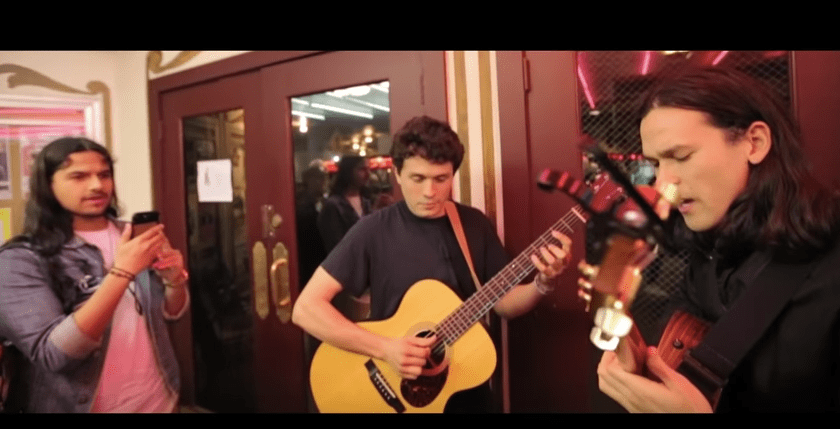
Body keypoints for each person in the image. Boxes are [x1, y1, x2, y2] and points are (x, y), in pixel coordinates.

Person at [597, 67, 840, 412]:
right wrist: (640, 368)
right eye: (654, 164)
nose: (664, 184)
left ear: (754, 143)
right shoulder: (709, 252)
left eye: (680, 157)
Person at [292, 115, 572, 412]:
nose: (430, 192)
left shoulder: (473, 224)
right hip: (396, 389)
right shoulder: (372, 231)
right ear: (397, 174)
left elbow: (502, 304)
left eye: (441, 179)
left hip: (465, 386)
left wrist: (542, 284)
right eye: (417, 178)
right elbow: (306, 309)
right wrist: (386, 349)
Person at [0, 137, 189, 413]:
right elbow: (55, 355)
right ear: (48, 185)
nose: (97, 185)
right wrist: (122, 272)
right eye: (78, 176)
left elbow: (171, 313)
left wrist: (175, 279)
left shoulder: (133, 235)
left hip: (158, 398)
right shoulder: (20, 259)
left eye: (104, 174)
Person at [317, 155, 373, 254]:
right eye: (362, 169)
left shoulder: (367, 202)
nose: (368, 174)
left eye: (368, 169)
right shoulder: (334, 205)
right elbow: (336, 245)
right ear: (348, 172)